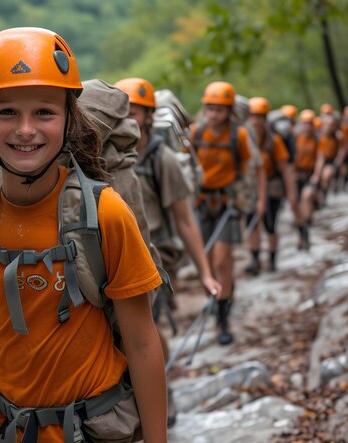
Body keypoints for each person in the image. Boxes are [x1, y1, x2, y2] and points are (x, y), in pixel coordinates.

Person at [0, 27, 167, 443]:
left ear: (69, 120)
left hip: (95, 429)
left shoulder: (105, 214)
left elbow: (141, 342)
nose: (25, 130)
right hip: (10, 428)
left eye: (44, 112)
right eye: (7, 112)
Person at [114, 77, 221, 428]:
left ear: (148, 116)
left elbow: (185, 220)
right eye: (124, 109)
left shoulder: (164, 161)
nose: (129, 117)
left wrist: (205, 273)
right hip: (117, 254)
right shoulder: (107, 158)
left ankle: (160, 390)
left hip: (155, 256)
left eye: (136, 110)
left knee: (144, 329)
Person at [190, 81, 265, 345]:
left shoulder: (239, 135)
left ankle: (222, 319)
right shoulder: (196, 133)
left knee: (222, 261)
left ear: (229, 111)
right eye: (210, 108)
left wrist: (251, 198)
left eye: (219, 110)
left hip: (227, 204)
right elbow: (186, 164)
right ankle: (220, 298)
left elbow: (251, 167)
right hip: (202, 203)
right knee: (207, 263)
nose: (214, 114)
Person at [244, 97, 299, 274]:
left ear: (265, 119)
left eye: (258, 117)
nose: (254, 120)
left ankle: (272, 259)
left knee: (269, 224)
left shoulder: (273, 141)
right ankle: (255, 260)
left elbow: (285, 168)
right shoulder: (243, 139)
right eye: (251, 116)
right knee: (252, 224)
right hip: (251, 187)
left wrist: (291, 194)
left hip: (272, 186)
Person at [294, 109, 319, 249]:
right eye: (305, 124)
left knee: (306, 197)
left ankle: (306, 224)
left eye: (309, 124)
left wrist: (317, 174)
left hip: (311, 174)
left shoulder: (317, 138)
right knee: (298, 204)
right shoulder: (296, 138)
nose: (307, 126)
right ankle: (303, 231)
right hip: (298, 175)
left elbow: (320, 157)